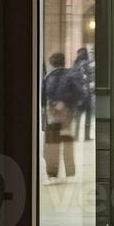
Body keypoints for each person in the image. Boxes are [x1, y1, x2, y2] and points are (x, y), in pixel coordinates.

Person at [42, 52, 84, 180]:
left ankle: (52, 172)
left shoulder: (48, 77)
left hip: (52, 112)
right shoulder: (71, 75)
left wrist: (47, 106)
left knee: (52, 143)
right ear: (64, 61)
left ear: (52, 63)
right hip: (67, 112)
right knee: (67, 140)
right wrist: (68, 103)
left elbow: (43, 96)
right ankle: (70, 171)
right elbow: (79, 93)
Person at [73, 47, 95, 141]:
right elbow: (91, 77)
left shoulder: (76, 64)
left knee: (78, 115)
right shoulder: (88, 64)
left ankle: (76, 136)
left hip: (79, 93)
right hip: (87, 93)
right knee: (88, 115)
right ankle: (86, 136)